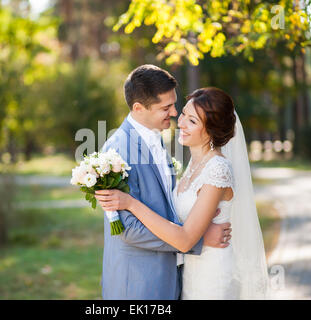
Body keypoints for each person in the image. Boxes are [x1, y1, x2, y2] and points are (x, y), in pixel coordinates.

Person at [96, 87, 270, 299]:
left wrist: (130, 203)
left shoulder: (218, 169)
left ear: (212, 130)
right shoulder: (194, 164)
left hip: (211, 274)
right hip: (187, 273)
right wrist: (203, 236)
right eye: (185, 114)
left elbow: (186, 239)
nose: (181, 122)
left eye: (193, 121)